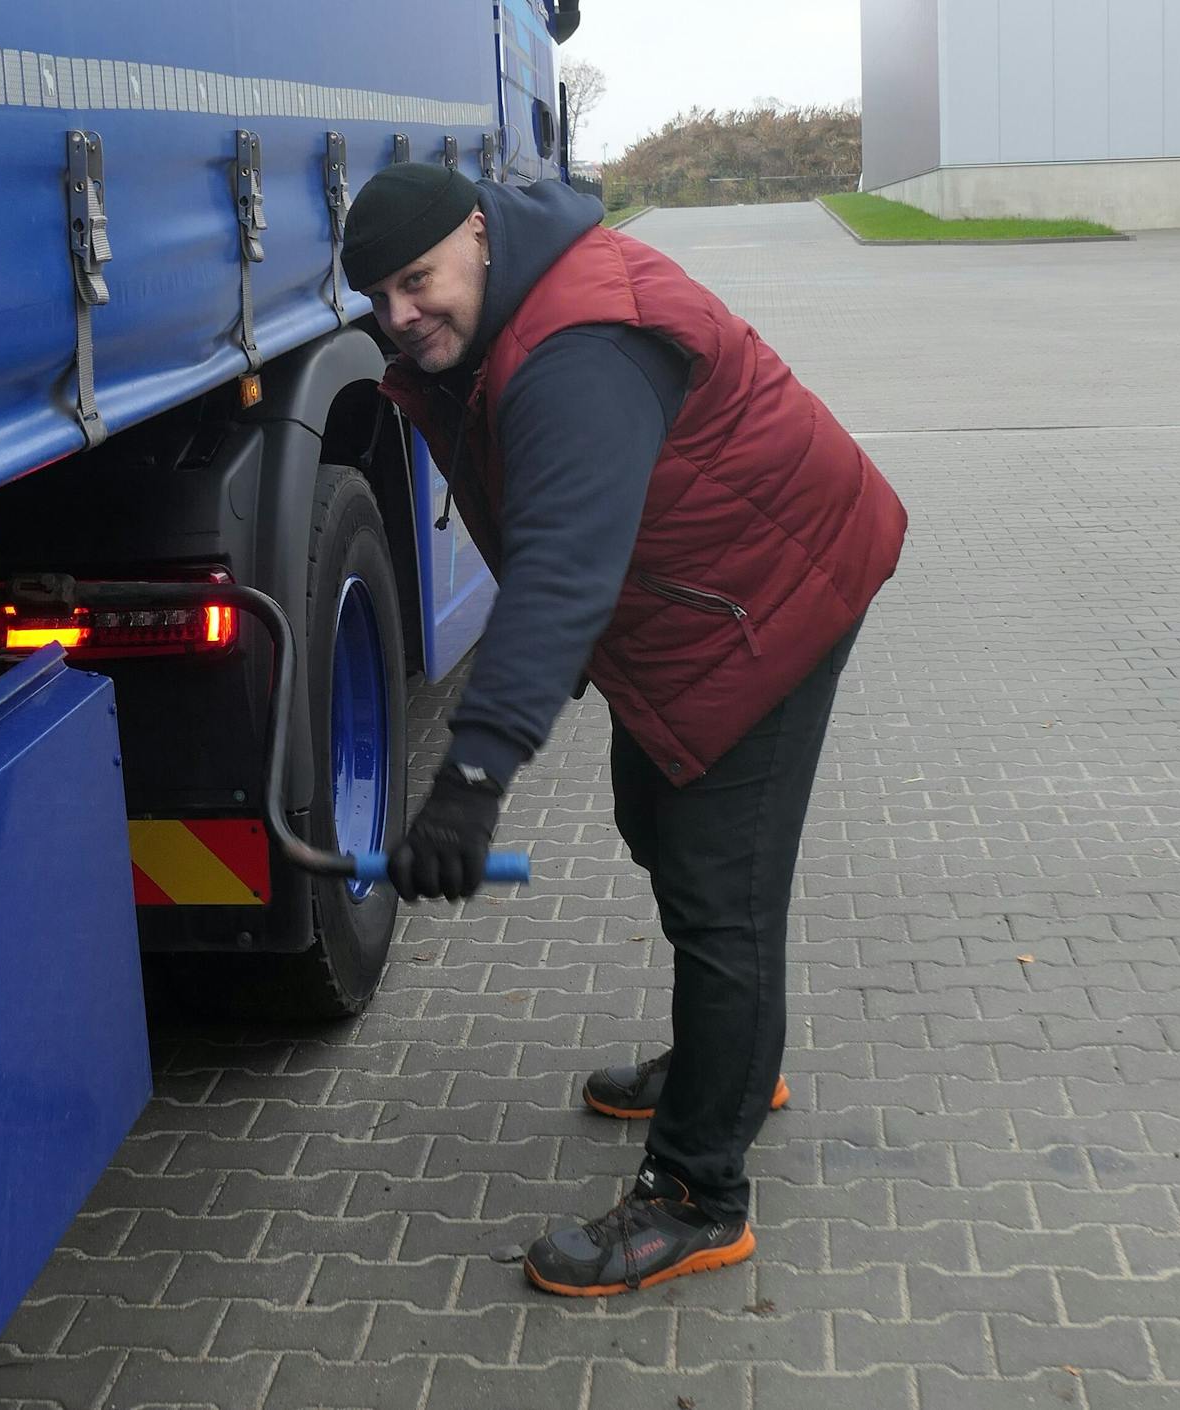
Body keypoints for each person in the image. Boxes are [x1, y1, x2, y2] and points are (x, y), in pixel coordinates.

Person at [343, 165, 908, 1297]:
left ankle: (700, 1191)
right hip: (697, 599)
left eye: (417, 281)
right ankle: (726, 1063)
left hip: (770, 598)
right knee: (650, 818)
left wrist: (467, 780)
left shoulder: (577, 349)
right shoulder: (510, 308)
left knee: (719, 894)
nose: (401, 318)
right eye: (378, 299)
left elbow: (560, 577)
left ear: (475, 234)